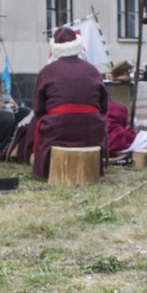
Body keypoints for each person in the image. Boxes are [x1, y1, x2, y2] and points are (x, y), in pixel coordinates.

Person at [29, 26, 108, 179]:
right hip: (91, 129)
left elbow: (38, 108)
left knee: (35, 124)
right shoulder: (93, 70)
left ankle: (43, 168)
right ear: (77, 46)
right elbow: (104, 106)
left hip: (58, 129)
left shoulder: (47, 71)